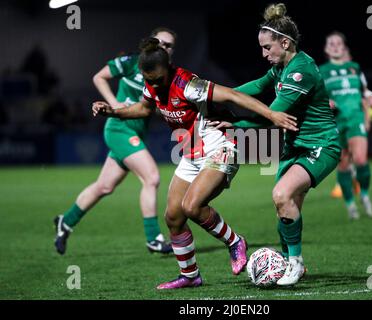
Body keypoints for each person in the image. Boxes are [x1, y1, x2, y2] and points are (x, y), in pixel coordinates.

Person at [92, 37, 298, 289]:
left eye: (157, 79)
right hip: (190, 154)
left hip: (219, 147)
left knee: (192, 206)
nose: (154, 85)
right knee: (173, 216)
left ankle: (235, 242)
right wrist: (112, 111)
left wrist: (271, 114)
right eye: (149, 80)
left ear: (168, 68)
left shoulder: (189, 84)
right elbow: (145, 109)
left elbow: (232, 95)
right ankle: (190, 275)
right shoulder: (152, 84)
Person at [213, 3, 341, 286]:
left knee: (282, 194)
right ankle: (288, 261)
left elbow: (274, 117)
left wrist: (237, 126)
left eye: (267, 47)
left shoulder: (300, 71)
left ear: (285, 43)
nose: (264, 54)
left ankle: (294, 264)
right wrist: (218, 93)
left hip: (320, 146)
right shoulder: (281, 68)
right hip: (294, 147)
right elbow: (257, 87)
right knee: (286, 204)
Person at [53, 28, 178, 255]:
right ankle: (153, 238)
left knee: (104, 186)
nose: (164, 47)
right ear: (152, 42)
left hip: (136, 133)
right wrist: (114, 104)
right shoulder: (133, 62)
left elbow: (154, 108)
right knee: (152, 177)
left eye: (169, 45)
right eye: (160, 42)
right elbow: (98, 77)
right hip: (119, 128)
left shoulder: (166, 75)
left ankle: (66, 221)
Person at [319, 31, 372, 219]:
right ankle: (350, 204)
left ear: (344, 47)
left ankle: (365, 195)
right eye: (331, 43)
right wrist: (325, 102)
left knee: (360, 159)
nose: (336, 46)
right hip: (336, 122)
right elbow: (317, 96)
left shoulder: (355, 68)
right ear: (327, 49)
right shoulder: (322, 71)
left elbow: (366, 91)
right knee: (343, 164)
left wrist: (370, 98)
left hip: (355, 119)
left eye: (338, 43)